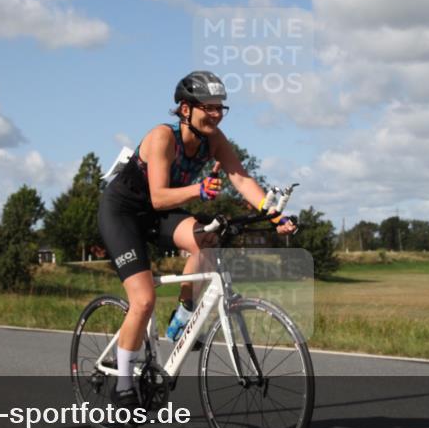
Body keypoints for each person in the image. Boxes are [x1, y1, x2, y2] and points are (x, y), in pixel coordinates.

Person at [97, 71, 297, 408]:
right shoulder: (163, 137)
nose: (217, 115)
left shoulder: (214, 140)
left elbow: (241, 179)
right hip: (124, 213)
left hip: (160, 214)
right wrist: (198, 189)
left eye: (221, 108)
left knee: (208, 239)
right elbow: (159, 196)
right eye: (210, 107)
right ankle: (123, 384)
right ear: (185, 109)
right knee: (143, 300)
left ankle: (184, 313)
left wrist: (274, 214)